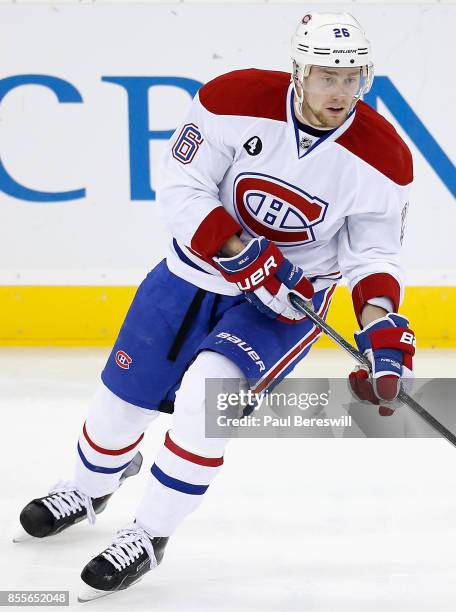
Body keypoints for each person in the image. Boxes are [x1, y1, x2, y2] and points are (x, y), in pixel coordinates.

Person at [16, 11, 416, 601]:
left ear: (367, 77)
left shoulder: (385, 159)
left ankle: (148, 534)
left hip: (282, 307)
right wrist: (240, 252)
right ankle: (89, 485)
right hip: (189, 274)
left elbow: (373, 256)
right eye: (327, 76)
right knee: (119, 409)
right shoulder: (233, 98)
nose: (340, 91)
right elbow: (182, 187)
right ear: (299, 71)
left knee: (207, 403)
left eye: (352, 77)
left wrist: (381, 326)